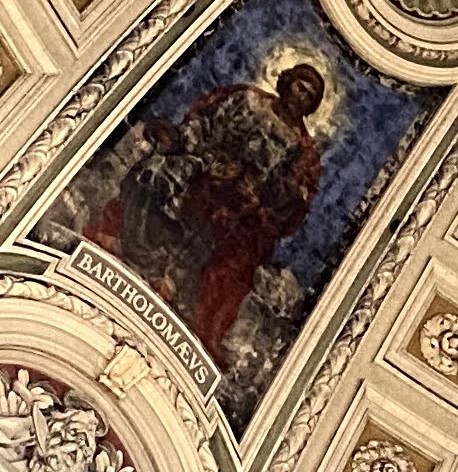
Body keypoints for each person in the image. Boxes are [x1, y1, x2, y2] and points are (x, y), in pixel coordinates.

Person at [85, 57, 329, 361]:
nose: (300, 97)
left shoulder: (301, 150)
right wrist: (181, 140)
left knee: (226, 226)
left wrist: (256, 193)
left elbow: (288, 201)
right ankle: (131, 245)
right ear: (287, 81)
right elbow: (206, 126)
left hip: (245, 198)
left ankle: (174, 283)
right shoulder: (247, 99)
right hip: (207, 162)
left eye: (308, 97)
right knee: (156, 173)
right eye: (299, 87)